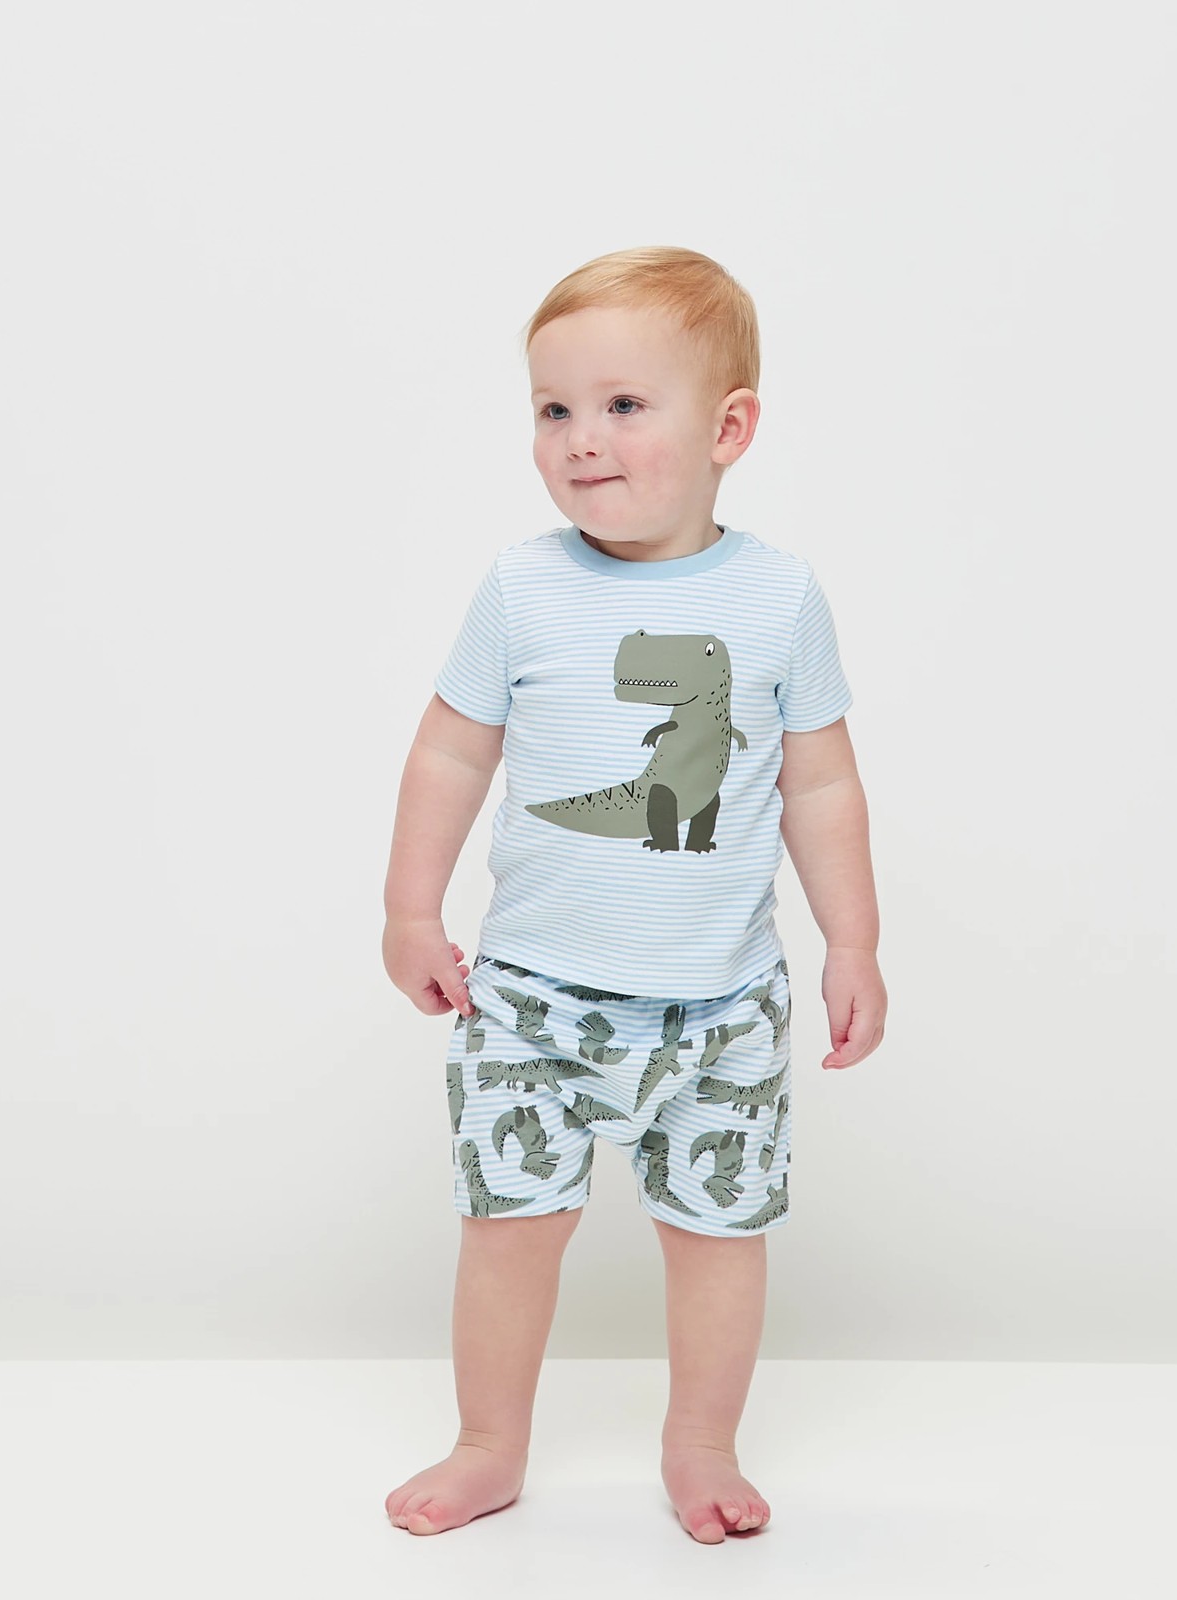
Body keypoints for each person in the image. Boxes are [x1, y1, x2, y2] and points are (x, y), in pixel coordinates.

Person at [382, 246, 886, 1543]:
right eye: (554, 408)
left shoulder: (778, 596)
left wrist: (854, 940)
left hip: (720, 1005)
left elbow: (823, 783)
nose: (581, 440)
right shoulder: (523, 585)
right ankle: (489, 1442)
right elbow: (450, 752)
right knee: (509, 1229)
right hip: (530, 1000)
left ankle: (701, 1443)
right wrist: (410, 909)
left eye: (621, 405)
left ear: (729, 430)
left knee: (717, 1237)